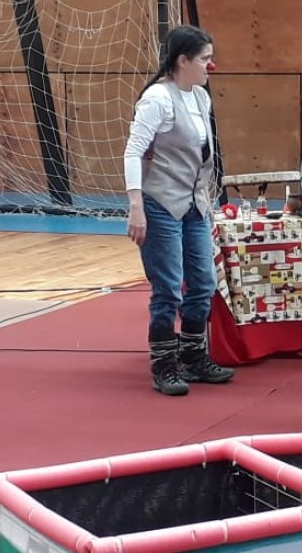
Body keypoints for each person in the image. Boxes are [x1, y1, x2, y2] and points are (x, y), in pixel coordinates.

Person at [123, 24, 234, 396]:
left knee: (203, 282)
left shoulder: (200, 98)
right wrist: (136, 206)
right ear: (182, 60)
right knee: (169, 288)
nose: (210, 66)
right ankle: (164, 365)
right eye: (204, 59)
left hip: (195, 203)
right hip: (160, 203)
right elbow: (133, 151)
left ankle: (193, 356)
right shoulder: (157, 98)